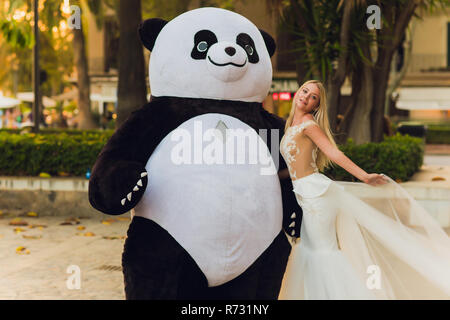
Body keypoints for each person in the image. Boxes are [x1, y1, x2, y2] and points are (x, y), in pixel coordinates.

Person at [278, 80, 450, 299]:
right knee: (311, 253)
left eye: (313, 97)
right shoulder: (290, 125)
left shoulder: (310, 126)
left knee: (322, 254)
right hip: (304, 194)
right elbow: (293, 167)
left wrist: (364, 176)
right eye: (304, 91)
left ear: (316, 106)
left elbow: (334, 153)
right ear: (297, 93)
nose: (306, 97)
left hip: (317, 198)